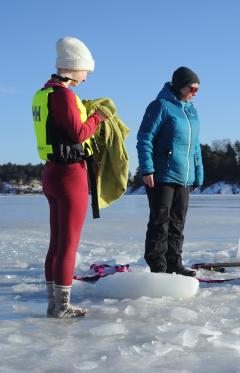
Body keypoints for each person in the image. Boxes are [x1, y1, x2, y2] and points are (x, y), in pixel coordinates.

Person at [32, 36, 107, 318]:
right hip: (69, 174)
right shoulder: (63, 94)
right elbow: (78, 134)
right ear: (73, 68)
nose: (86, 78)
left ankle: (54, 303)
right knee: (69, 242)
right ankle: (61, 306)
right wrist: (98, 118)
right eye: (86, 71)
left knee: (57, 241)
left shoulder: (43, 93)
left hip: (51, 172)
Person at [137, 66, 204, 276]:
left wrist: (198, 171)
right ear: (180, 86)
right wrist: (147, 169)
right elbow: (144, 138)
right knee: (160, 221)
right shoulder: (160, 106)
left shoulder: (191, 111)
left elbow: (195, 145)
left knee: (178, 223)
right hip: (162, 175)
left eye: (197, 89)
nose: (195, 93)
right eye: (192, 88)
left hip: (184, 176)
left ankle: (174, 262)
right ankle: (158, 266)